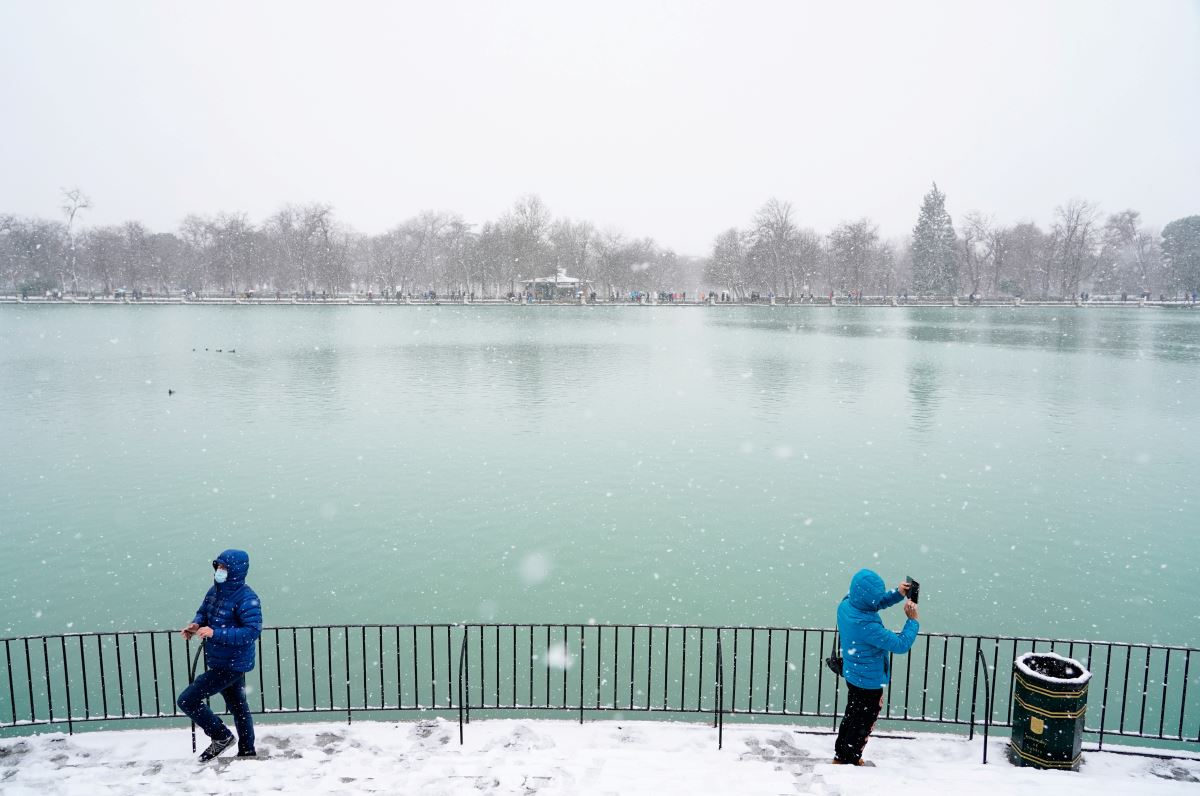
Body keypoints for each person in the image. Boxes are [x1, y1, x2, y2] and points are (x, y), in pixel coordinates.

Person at [176, 549, 263, 762]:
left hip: (232, 664)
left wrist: (216, 633)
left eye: (224, 567)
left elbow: (252, 632)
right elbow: (204, 612)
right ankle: (247, 751)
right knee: (239, 708)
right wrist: (196, 625)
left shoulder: (247, 597)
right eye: (219, 567)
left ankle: (221, 736)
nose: (220, 571)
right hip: (220, 660)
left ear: (235, 570)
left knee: (187, 700)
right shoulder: (215, 591)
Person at [832, 568, 919, 766]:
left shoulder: (845, 605)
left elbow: (870, 603)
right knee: (863, 723)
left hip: (853, 674)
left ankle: (841, 753)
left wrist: (897, 594)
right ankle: (850, 759)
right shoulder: (867, 625)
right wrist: (912, 621)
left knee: (852, 716)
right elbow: (900, 645)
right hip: (869, 682)